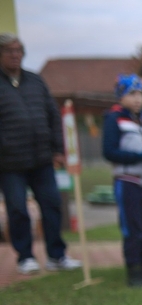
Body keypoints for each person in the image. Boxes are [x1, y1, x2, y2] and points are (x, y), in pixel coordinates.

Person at [0, 33, 81, 274]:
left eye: (18, 50)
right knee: (17, 209)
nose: (15, 55)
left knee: (52, 205)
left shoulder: (35, 81)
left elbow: (53, 116)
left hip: (42, 159)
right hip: (9, 163)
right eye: (9, 51)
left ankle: (57, 256)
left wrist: (58, 149)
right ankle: (25, 257)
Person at [102, 74, 142, 287]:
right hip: (128, 180)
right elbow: (109, 152)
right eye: (132, 94)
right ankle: (133, 270)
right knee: (132, 228)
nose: (137, 99)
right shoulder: (114, 118)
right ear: (121, 96)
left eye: (140, 94)